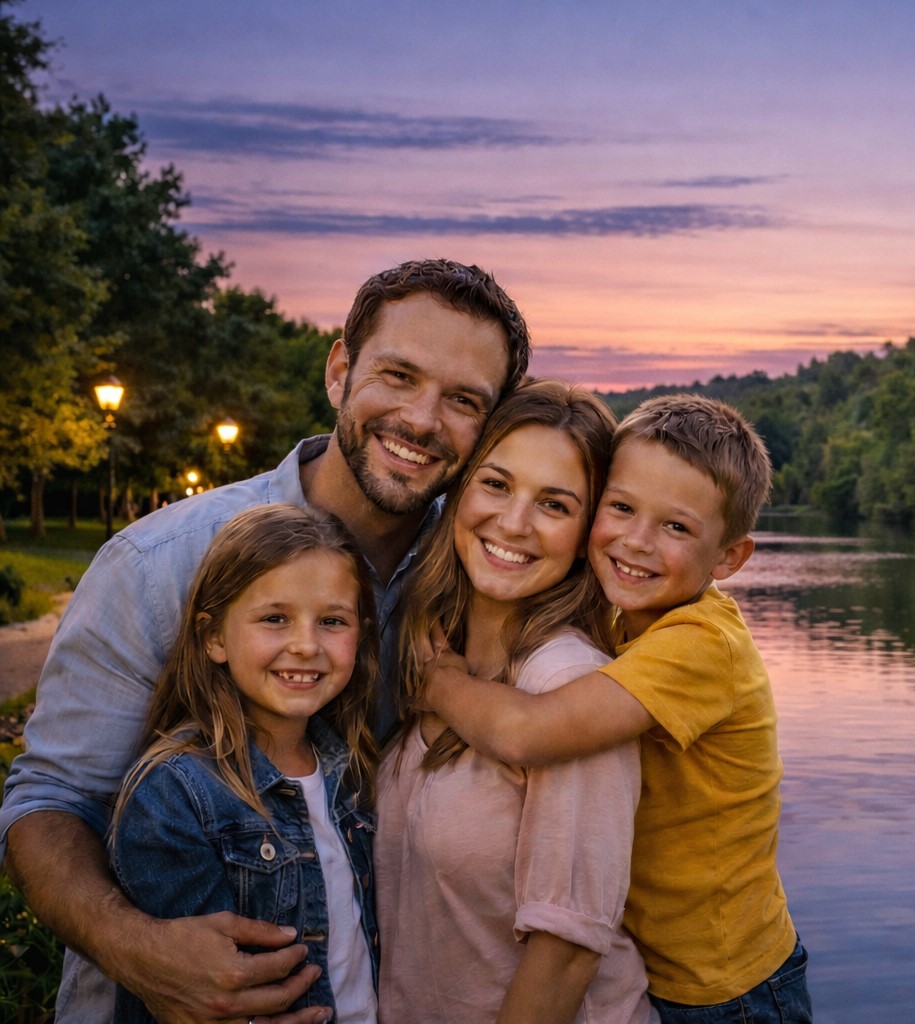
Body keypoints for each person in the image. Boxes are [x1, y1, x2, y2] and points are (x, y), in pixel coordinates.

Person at [0, 258, 529, 1024]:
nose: (422, 419)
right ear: (340, 371)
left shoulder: (492, 583)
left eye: (463, 400)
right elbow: (51, 800)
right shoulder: (158, 565)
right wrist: (134, 947)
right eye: (399, 376)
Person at [426, 394, 811, 1024]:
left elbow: (528, 731)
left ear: (729, 557)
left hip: (726, 990)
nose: (636, 541)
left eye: (676, 527)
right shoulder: (622, 619)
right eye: (622, 508)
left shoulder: (702, 645)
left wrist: (437, 680)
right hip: (660, 967)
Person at [376, 379, 656, 1024]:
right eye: (496, 484)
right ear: (458, 492)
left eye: (554, 505)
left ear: (588, 533)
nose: (513, 523)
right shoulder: (430, 653)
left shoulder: (571, 688)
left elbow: (566, 954)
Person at [110, 504, 381, 1024]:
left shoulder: (352, 771)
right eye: (275, 618)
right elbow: (197, 989)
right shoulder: (175, 793)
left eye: (332, 621)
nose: (305, 645)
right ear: (213, 637)